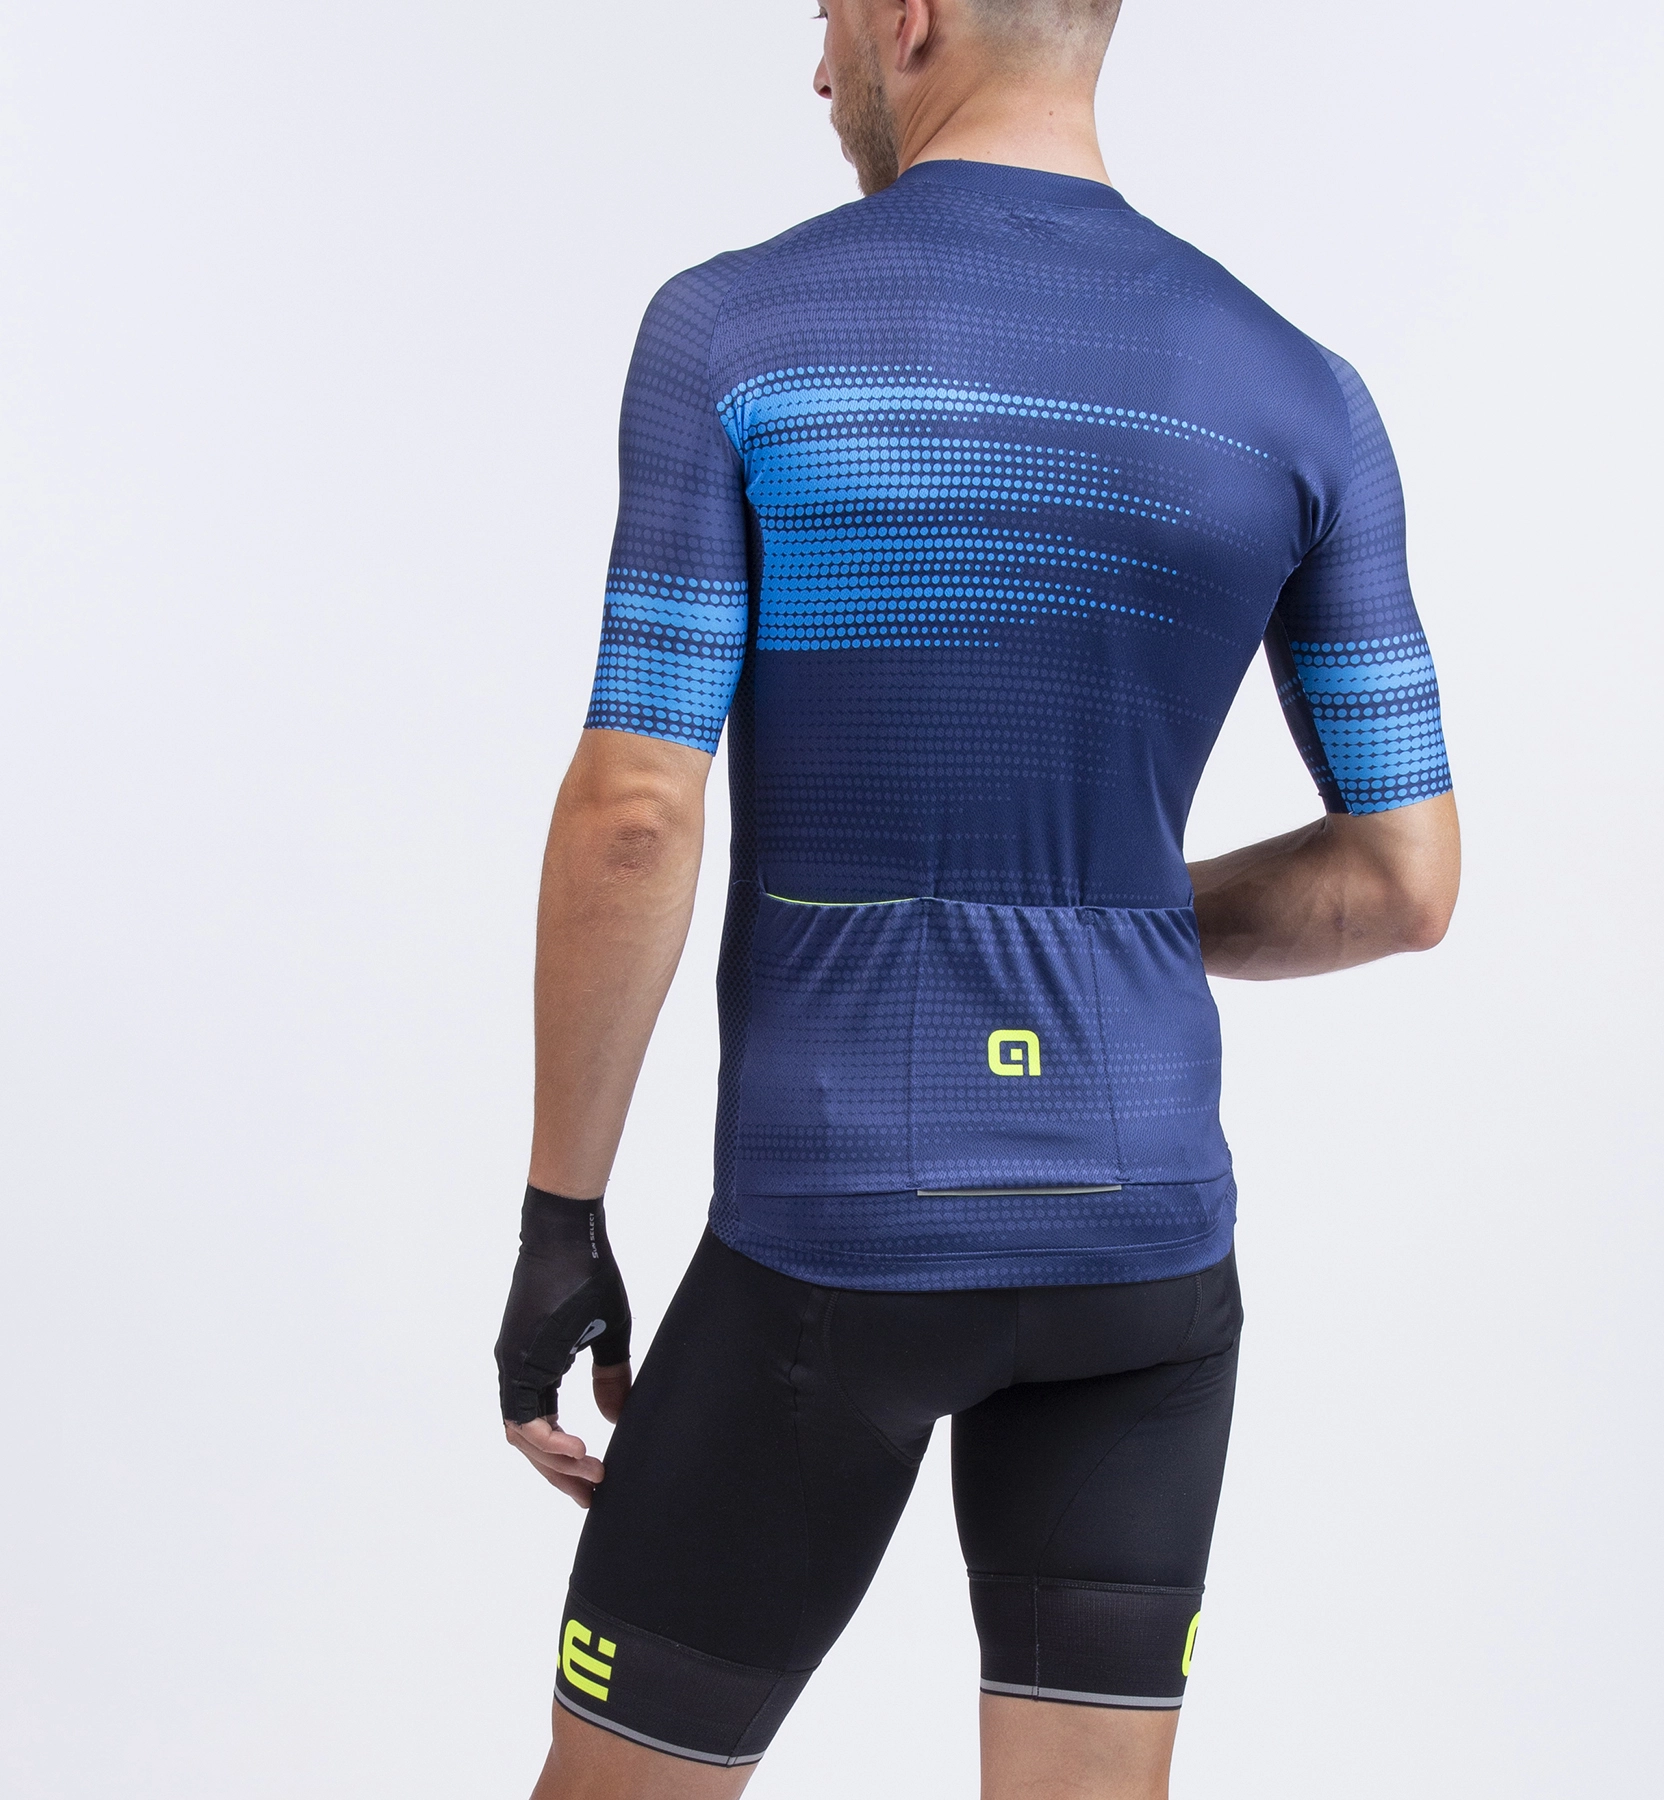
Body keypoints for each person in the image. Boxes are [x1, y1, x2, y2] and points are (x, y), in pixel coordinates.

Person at [493, 2, 1461, 1795]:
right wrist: (1104, 930)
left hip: (836, 1232)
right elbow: (1405, 881)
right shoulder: (1304, 393)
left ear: (912, 15)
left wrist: (563, 1219)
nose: (818, 70)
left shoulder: (739, 332)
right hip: (1146, 1249)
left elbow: (635, 814)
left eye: (824, 17)